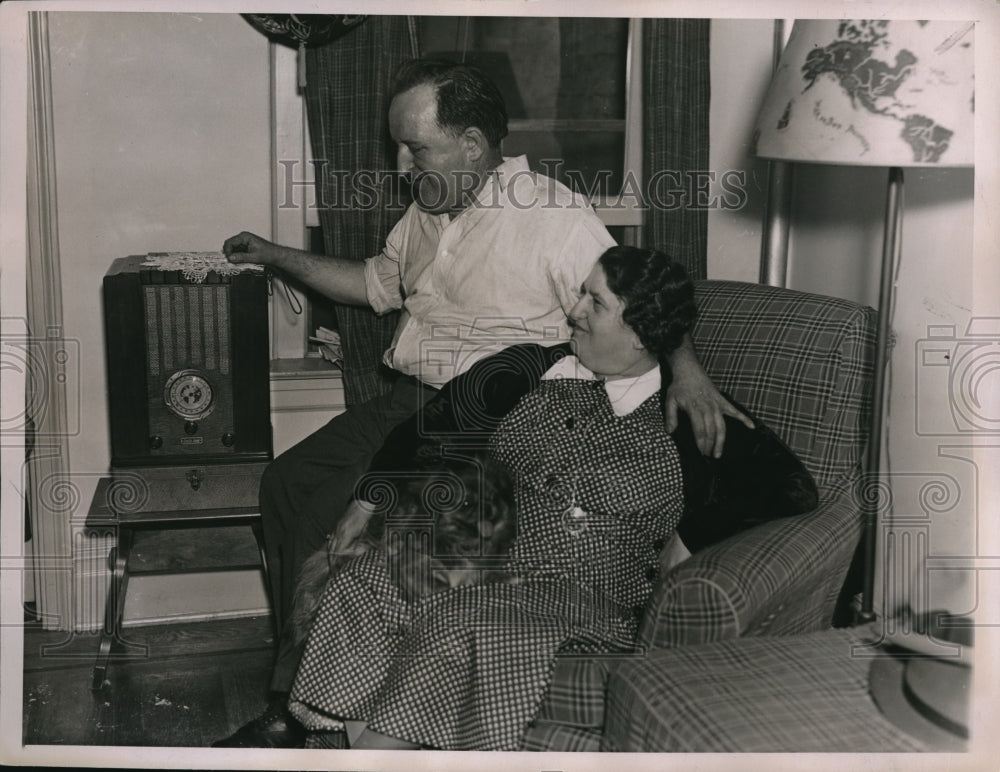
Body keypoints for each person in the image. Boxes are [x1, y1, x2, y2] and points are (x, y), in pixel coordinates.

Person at [214, 59, 745, 748]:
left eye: (417, 147)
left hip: (490, 424)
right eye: (399, 146)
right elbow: (376, 284)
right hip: (405, 399)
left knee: (333, 523)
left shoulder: (553, 217)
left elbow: (633, 301)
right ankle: (313, 690)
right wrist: (274, 254)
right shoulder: (429, 211)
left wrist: (690, 371)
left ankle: (300, 712)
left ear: (470, 145)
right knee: (284, 484)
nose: (403, 163)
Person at [286, 246, 696, 750]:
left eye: (596, 302)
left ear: (638, 333)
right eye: (582, 294)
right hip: (487, 558)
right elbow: (432, 425)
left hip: (581, 593)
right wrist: (369, 500)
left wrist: (687, 550)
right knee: (364, 583)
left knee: (452, 623)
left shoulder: (687, 417)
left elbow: (788, 490)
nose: (575, 311)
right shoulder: (538, 369)